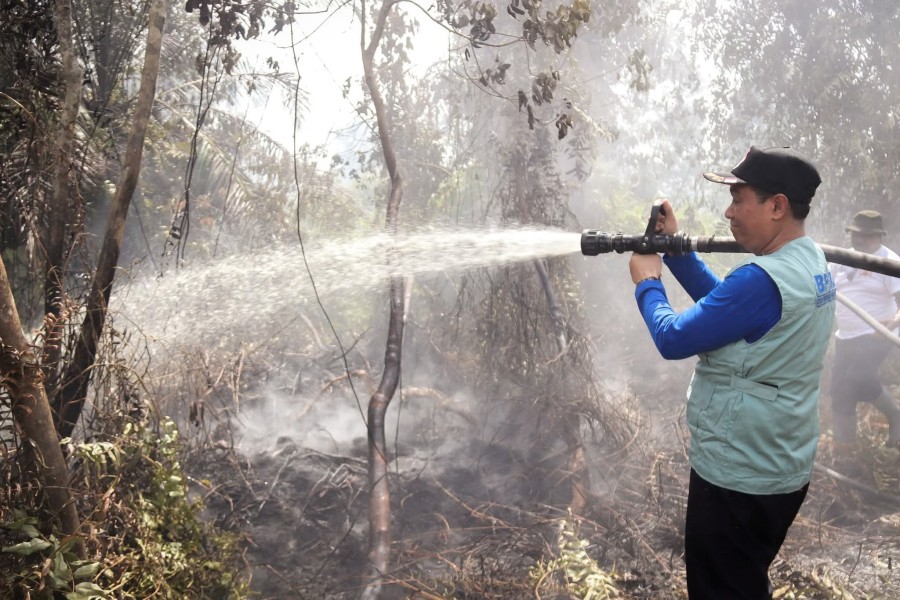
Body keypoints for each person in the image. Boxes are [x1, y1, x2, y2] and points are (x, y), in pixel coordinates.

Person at [627, 146, 835, 599]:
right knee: (741, 584)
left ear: (777, 206)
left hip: (738, 477)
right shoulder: (808, 261)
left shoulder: (762, 279)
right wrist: (679, 256)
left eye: (739, 199)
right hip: (780, 465)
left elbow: (675, 338)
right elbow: (734, 312)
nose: (728, 212)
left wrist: (648, 282)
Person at [829, 210, 900, 446]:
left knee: (859, 377)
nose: (859, 240)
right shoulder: (840, 259)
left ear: (879, 236)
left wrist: (891, 324)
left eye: (866, 236)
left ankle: (896, 416)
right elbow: (823, 288)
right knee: (839, 389)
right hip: (846, 335)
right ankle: (846, 445)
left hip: (876, 333)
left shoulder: (889, 262)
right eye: (856, 234)